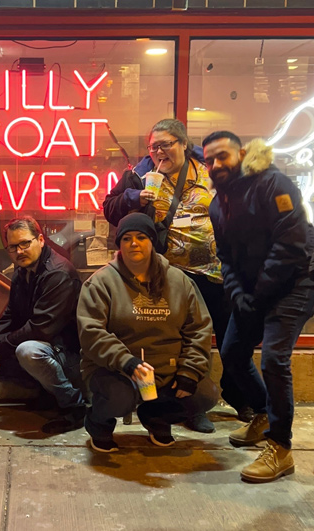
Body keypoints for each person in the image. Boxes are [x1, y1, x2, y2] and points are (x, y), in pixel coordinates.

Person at [103, 118, 251, 431]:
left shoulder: (210, 171)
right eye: (153, 146)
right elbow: (110, 208)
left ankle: (240, 396)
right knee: (182, 342)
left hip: (217, 273)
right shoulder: (141, 174)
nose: (159, 151)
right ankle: (191, 407)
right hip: (170, 275)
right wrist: (134, 197)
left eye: (166, 144)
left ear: (183, 144)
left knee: (228, 340)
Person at [203, 131, 314, 483]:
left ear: (242, 153)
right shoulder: (217, 204)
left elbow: (291, 247)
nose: (216, 164)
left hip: (298, 281)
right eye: (209, 160)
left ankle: (280, 447)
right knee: (232, 351)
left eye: (223, 156)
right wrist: (239, 295)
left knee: (274, 359)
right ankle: (265, 413)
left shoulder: (273, 184)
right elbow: (225, 257)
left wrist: (259, 295)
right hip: (254, 289)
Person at [78, 213, 218, 452]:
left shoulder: (180, 282)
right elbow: (91, 332)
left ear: (152, 242)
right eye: (127, 239)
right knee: (118, 397)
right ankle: (99, 423)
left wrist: (190, 370)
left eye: (141, 237)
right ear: (119, 245)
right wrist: (127, 362)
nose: (134, 243)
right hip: (118, 370)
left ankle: (157, 417)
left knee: (205, 395)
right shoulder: (100, 283)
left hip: (168, 368)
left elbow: (199, 329)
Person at [0, 217, 86, 434]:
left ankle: (74, 406)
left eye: (25, 243)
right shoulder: (22, 270)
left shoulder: (58, 273)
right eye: (13, 247)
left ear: (41, 240)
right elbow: (10, 315)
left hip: (71, 355)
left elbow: (41, 328)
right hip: (48, 348)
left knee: (28, 352)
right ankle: (48, 393)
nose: (19, 251)